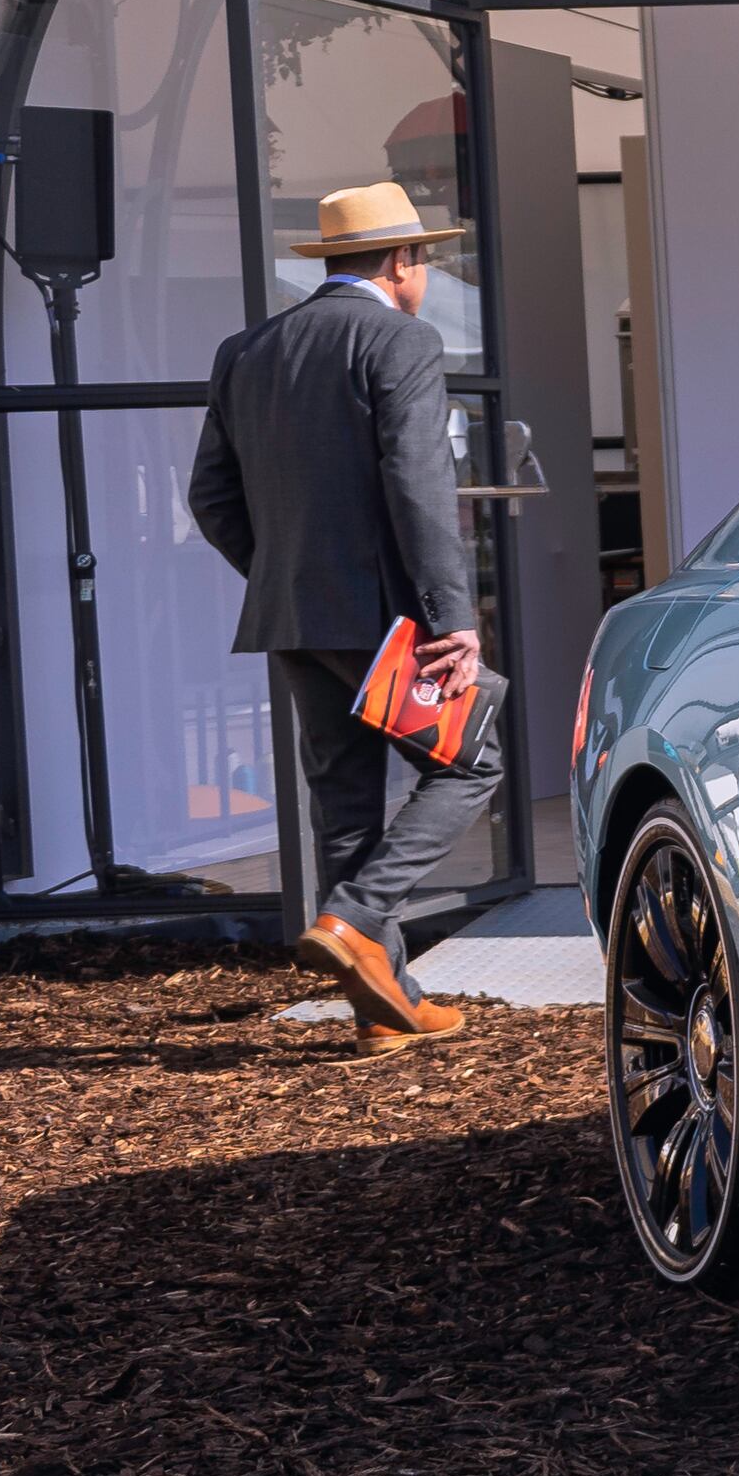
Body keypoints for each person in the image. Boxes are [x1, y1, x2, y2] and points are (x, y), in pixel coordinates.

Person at [186, 182, 505, 1055]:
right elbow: (419, 485)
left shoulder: (247, 349)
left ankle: (383, 1009)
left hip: (292, 616)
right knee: (475, 766)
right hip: (390, 624)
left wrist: (283, 572)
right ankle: (358, 919)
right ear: (400, 262)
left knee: (346, 804)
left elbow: (209, 495)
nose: (426, 276)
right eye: (423, 260)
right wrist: (455, 617)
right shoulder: (399, 339)